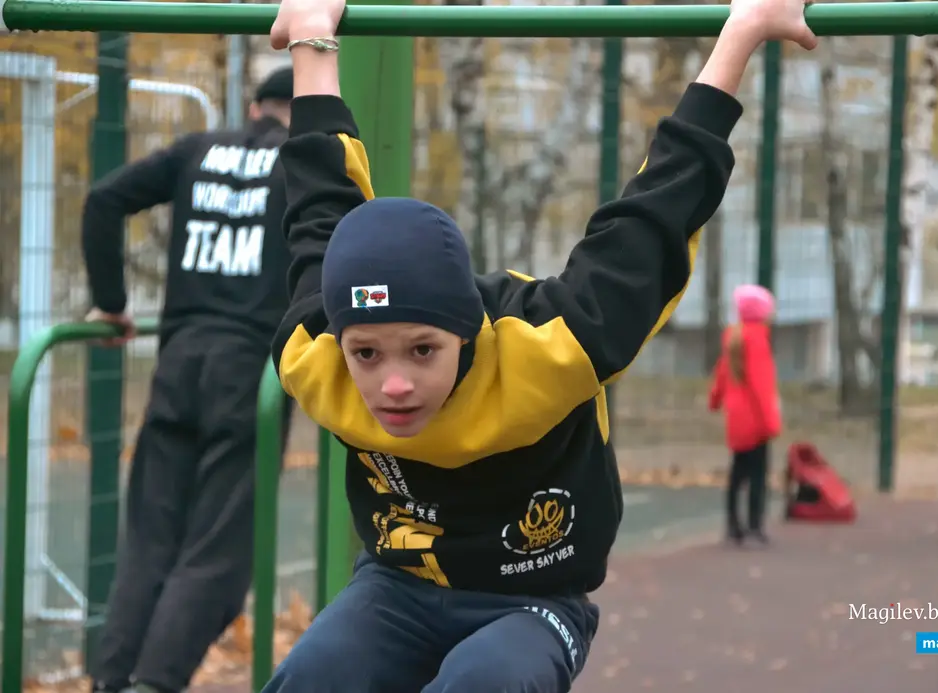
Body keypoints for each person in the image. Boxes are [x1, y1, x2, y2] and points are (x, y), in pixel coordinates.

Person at [261, 0, 816, 688]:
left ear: (466, 334)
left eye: (423, 350)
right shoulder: (319, 352)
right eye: (367, 353)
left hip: (531, 599)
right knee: (315, 675)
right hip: (399, 585)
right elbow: (318, 201)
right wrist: (312, 34)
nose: (393, 383)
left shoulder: (550, 346)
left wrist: (744, 31)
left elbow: (653, 215)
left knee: (486, 678)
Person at [81, 67, 295, 693]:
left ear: (255, 108)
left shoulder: (197, 149)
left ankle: (111, 680)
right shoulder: (302, 162)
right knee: (219, 555)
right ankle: (155, 682)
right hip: (250, 373)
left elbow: (103, 199)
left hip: (179, 361)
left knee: (150, 541)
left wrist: (112, 301)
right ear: (298, 112)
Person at [708, 284, 781, 546]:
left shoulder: (733, 337)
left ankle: (732, 524)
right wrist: (771, 422)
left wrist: (714, 400)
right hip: (756, 421)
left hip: (736, 419)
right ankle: (755, 525)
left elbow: (721, 374)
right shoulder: (758, 339)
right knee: (758, 474)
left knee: (738, 473)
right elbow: (761, 386)